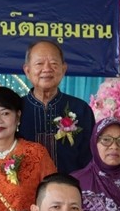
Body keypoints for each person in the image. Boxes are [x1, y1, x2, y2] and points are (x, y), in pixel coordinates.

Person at [21, 40, 96, 175]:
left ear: (63, 69)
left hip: (70, 190)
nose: (47, 69)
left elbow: (89, 160)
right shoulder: (15, 110)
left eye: (54, 63)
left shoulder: (80, 109)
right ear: (27, 70)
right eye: (39, 64)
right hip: (23, 192)